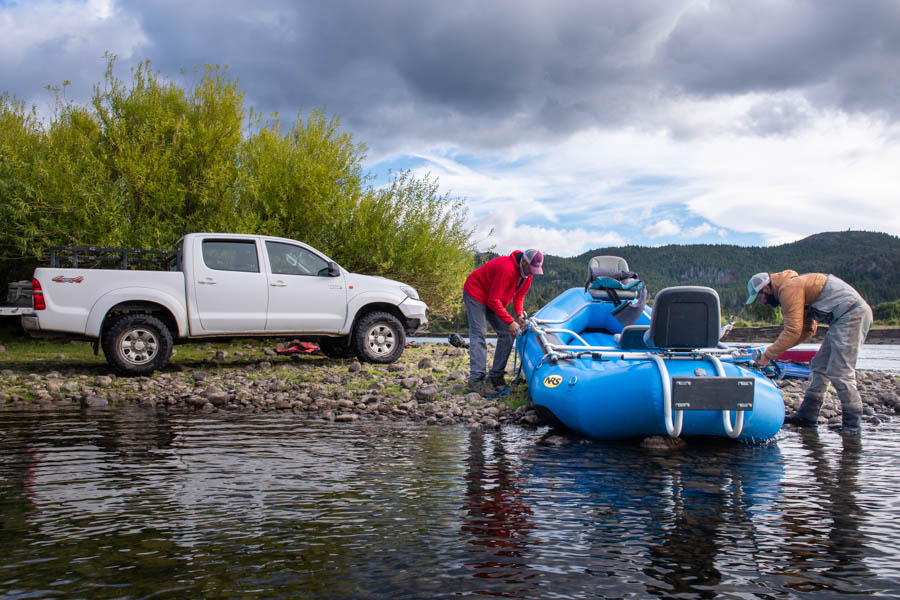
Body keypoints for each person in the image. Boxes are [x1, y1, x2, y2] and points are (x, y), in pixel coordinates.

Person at [745, 270, 873, 432]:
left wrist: (768, 355)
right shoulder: (793, 286)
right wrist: (774, 352)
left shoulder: (788, 288)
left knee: (840, 371)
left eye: (759, 297)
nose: (761, 302)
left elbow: (793, 331)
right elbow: (807, 330)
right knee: (819, 365)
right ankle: (807, 415)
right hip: (841, 319)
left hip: (852, 315)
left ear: (767, 289)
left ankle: (852, 425)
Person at [463, 249, 544, 395]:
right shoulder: (506, 268)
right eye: (531, 269)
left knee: (508, 334)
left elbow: (519, 296)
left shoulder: (528, 274)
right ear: (524, 261)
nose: (532, 273)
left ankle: (495, 377)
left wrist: (519, 314)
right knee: (479, 334)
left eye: (535, 270)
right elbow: (493, 300)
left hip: (493, 298)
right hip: (476, 292)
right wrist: (510, 321)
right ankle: (476, 381)